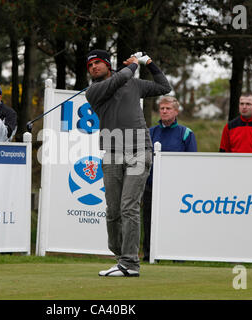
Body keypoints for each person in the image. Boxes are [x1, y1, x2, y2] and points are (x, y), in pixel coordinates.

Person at [85, 49, 171, 277]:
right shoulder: (93, 91)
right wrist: (133, 64)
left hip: (139, 150)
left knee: (129, 206)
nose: (94, 67)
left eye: (98, 63)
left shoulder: (134, 85)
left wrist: (149, 63)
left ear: (107, 64)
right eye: (90, 65)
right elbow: (121, 78)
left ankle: (130, 263)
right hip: (112, 152)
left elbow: (164, 87)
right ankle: (121, 255)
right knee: (113, 211)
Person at [142, 96, 197, 262]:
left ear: (176, 111)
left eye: (168, 109)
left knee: (175, 223)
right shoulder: (151, 132)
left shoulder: (186, 133)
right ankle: (149, 255)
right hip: (151, 186)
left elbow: (192, 163)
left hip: (175, 188)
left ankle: (177, 256)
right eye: (162, 108)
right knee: (149, 222)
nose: (164, 111)